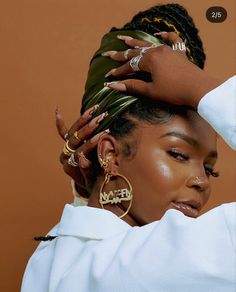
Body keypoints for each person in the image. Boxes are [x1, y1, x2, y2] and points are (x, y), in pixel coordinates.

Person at [21, 3, 236, 292]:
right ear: (110, 153)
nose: (202, 182)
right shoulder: (165, 261)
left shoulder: (51, 256)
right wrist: (199, 88)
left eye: (210, 170)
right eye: (178, 154)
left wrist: (90, 194)